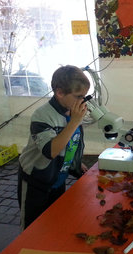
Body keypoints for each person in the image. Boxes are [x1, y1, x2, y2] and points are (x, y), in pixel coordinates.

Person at [17, 65, 90, 230]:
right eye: (79, 96)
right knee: (33, 228)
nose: (82, 101)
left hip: (57, 177)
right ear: (59, 93)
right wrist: (75, 121)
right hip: (36, 180)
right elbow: (51, 151)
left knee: (54, 223)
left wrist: (74, 163)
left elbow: (72, 142)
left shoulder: (70, 111)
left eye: (84, 96)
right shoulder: (42, 115)